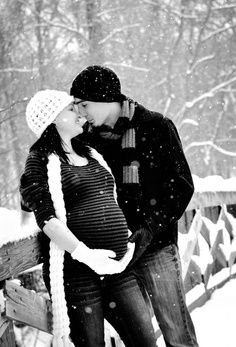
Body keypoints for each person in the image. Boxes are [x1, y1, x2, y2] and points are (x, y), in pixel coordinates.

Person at [70, 65, 199, 347]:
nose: (79, 111)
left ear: (104, 98)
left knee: (176, 332)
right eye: (76, 106)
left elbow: (182, 186)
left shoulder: (155, 126)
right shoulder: (83, 140)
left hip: (156, 247)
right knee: (139, 339)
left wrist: (150, 229)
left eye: (83, 104)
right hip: (117, 253)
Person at [19, 90, 157, 347]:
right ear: (52, 119)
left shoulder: (92, 153)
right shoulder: (38, 161)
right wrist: (86, 254)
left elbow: (109, 199)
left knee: (146, 341)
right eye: (71, 109)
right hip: (79, 274)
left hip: (118, 268)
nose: (79, 113)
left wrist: (125, 240)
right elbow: (46, 218)